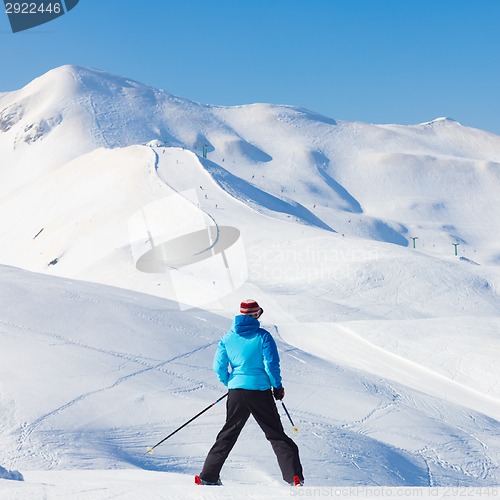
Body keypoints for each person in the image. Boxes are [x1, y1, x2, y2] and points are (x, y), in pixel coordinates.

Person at [195, 299, 304, 487]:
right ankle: (294, 477)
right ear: (255, 315)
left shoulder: (227, 338)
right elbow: (271, 365)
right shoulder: (263, 336)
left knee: (228, 433)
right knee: (275, 434)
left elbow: (218, 367)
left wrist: (230, 382)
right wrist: (277, 387)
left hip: (236, 392)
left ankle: (207, 476)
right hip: (259, 392)